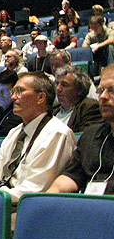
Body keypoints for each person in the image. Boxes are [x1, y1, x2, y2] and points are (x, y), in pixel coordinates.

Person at [0, 72, 76, 203]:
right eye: (13, 92)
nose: (13, 98)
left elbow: (35, 189)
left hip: (26, 209)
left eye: (19, 91)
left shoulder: (57, 134)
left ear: (40, 97)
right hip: (2, 200)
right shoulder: (15, 132)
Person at [48, 64, 114, 195]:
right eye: (101, 91)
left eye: (112, 90)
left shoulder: (88, 108)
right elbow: (72, 175)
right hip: (87, 207)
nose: (103, 97)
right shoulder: (91, 134)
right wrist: (53, 191)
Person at [53, 65, 102, 132]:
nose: (58, 89)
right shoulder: (53, 109)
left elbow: (85, 138)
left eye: (64, 85)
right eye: (57, 84)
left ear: (79, 90)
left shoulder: (89, 107)